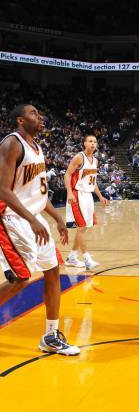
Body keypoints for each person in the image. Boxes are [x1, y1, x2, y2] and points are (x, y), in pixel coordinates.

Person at [0, 104, 80, 355]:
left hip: (33, 217)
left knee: (53, 270)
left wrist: (56, 218)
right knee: (21, 278)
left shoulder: (37, 147)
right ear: (20, 121)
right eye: (34, 113)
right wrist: (32, 220)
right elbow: (2, 190)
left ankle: (51, 335)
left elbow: (37, 193)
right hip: (12, 217)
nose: (40, 117)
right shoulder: (12, 144)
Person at [64, 135, 108, 269]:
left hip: (88, 195)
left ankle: (72, 257)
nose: (93, 143)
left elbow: (92, 181)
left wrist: (100, 196)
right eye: (90, 141)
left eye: (95, 141)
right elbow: (67, 174)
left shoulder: (95, 160)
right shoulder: (79, 157)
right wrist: (69, 192)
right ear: (84, 144)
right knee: (81, 228)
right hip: (77, 194)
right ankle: (87, 259)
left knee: (84, 228)